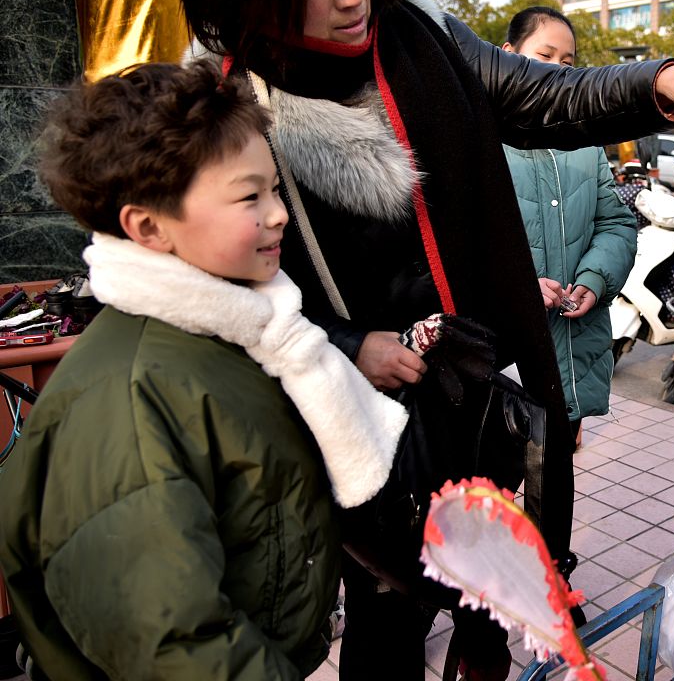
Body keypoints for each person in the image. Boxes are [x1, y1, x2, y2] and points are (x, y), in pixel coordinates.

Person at [175, 0, 674, 676]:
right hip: (358, 421)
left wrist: (659, 85)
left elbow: (538, 94)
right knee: (388, 616)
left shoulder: (414, 34)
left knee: (498, 594)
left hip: (477, 383)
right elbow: (221, 298)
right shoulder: (226, 110)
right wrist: (349, 345)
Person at [0, 62, 410, 678]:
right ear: (149, 227)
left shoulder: (244, 333)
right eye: (250, 196)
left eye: (275, 189)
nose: (278, 215)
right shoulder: (132, 400)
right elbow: (173, 643)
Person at [501, 7, 637, 449]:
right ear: (507, 56)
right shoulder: (479, 139)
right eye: (544, 55)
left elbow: (615, 223)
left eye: (567, 64)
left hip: (572, 365)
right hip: (502, 362)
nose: (556, 72)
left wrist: (594, 280)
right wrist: (515, 288)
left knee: (553, 497)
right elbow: (453, 245)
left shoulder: (584, 141)